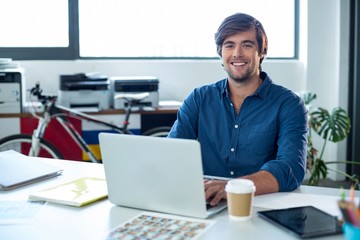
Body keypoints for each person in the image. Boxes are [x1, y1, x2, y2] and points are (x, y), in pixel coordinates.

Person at [167, 13, 308, 206]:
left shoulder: (288, 104)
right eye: (229, 45)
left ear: (262, 52)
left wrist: (232, 187)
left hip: (261, 204)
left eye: (247, 45)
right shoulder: (198, 99)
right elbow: (172, 153)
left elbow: (290, 168)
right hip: (206, 202)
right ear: (221, 52)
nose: (237, 53)